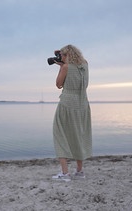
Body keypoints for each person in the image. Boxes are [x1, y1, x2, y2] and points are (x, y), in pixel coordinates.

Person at [51, 44, 92, 182]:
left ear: (67, 55)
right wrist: (62, 55)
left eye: (62, 55)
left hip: (67, 104)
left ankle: (65, 173)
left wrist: (62, 67)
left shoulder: (66, 67)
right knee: (79, 135)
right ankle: (80, 172)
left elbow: (58, 84)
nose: (60, 57)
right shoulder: (85, 64)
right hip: (83, 104)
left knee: (60, 134)